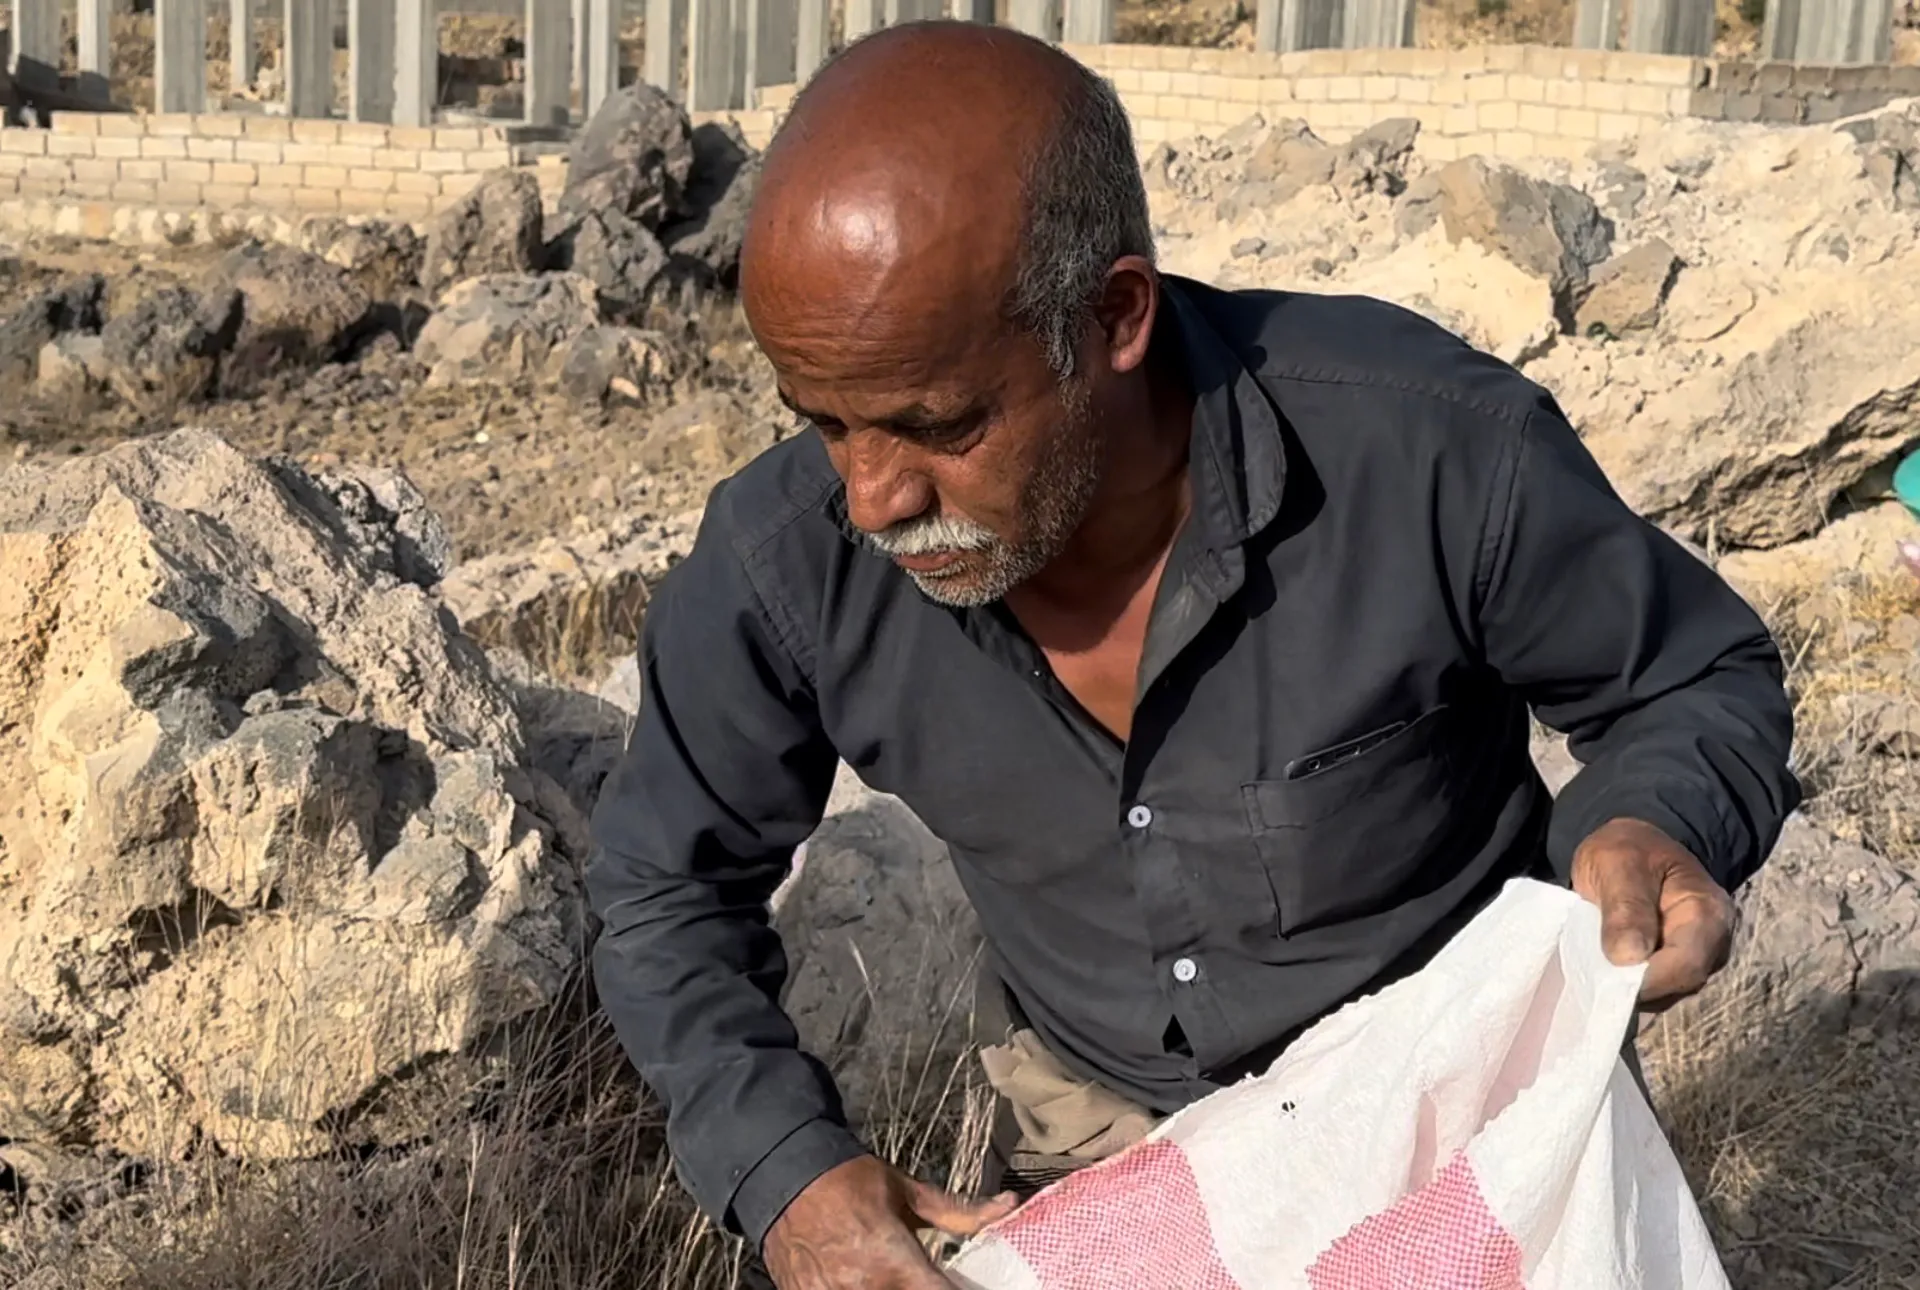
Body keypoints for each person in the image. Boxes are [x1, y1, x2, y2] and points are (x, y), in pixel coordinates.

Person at [586, 21, 1799, 1290]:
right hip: (1091, 1142)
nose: (874, 497)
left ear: (1116, 315)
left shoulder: (1425, 454)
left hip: (1451, 1100)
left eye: (937, 424)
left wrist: (1654, 823)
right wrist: (785, 1171)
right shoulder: (789, 560)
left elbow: (1692, 679)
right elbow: (664, 887)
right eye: (824, 423)